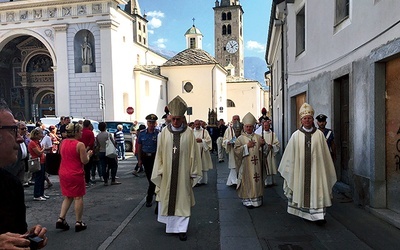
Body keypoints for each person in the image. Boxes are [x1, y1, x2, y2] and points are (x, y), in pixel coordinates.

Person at [151, 95, 202, 241]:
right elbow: (159, 154)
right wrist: (159, 171)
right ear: (170, 117)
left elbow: (194, 154)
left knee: (182, 200)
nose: (175, 121)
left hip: (183, 174)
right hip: (167, 173)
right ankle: (171, 227)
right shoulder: (163, 134)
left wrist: (193, 172)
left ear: (182, 118)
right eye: (173, 119)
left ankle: (182, 229)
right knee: (169, 198)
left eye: (178, 119)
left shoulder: (189, 134)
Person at [278, 103, 337, 225]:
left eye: (309, 118)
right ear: (301, 120)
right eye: (305, 118)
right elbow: (290, 155)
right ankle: (305, 214)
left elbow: (325, 155)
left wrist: (325, 169)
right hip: (301, 171)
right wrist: (291, 170)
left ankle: (319, 216)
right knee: (304, 190)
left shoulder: (319, 135)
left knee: (318, 189)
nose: (307, 120)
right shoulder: (295, 136)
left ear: (312, 119)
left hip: (317, 171)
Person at [0, 99, 48, 249]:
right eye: (13, 130)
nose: (20, 138)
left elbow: (15, 234)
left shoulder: (12, 184)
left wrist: (28, 239)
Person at [56, 123, 93, 232]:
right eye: (80, 131)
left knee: (68, 196)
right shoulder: (79, 144)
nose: (81, 133)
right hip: (75, 172)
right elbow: (84, 161)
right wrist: (89, 154)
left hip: (63, 171)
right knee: (78, 197)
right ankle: (79, 221)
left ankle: (61, 218)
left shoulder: (63, 142)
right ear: (76, 132)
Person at [234, 112, 265, 208]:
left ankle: (257, 200)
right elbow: (236, 151)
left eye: (250, 127)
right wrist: (246, 146)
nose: (248, 128)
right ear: (244, 127)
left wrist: (264, 145)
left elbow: (265, 151)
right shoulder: (240, 139)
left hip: (257, 165)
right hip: (246, 165)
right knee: (247, 180)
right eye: (247, 126)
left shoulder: (258, 137)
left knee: (256, 180)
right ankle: (247, 200)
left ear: (253, 127)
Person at [137, 114, 159, 207]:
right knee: (150, 179)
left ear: (155, 123)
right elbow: (139, 147)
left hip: (155, 157)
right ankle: (156, 197)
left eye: (153, 122)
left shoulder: (158, 133)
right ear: (147, 123)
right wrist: (139, 160)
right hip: (146, 158)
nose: (151, 124)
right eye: (149, 122)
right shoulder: (142, 133)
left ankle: (150, 199)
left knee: (154, 179)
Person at [255, 118, 280, 187]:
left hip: (271, 153)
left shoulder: (273, 134)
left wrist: (272, 146)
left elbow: (277, 143)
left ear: (269, 126)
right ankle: (265, 182)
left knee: (271, 166)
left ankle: (272, 181)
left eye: (267, 125)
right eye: (264, 126)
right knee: (265, 167)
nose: (266, 127)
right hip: (264, 154)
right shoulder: (260, 135)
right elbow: (258, 144)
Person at [28, 128, 49, 201]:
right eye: (40, 133)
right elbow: (39, 152)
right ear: (36, 135)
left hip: (42, 161)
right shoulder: (32, 143)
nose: (42, 135)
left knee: (42, 178)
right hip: (37, 162)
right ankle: (37, 195)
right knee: (38, 178)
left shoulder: (37, 142)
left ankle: (41, 193)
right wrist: (43, 148)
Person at [222, 115, 241, 186]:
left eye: (237, 119)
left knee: (240, 165)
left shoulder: (242, 128)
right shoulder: (228, 129)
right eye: (234, 119)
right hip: (232, 150)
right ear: (232, 120)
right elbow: (224, 140)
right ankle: (234, 181)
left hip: (241, 149)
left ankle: (235, 180)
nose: (236, 120)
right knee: (233, 165)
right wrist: (228, 142)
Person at [193, 119, 213, 186]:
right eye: (196, 124)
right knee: (196, 165)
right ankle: (197, 181)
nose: (197, 126)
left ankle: (203, 180)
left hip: (203, 151)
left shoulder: (204, 131)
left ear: (200, 124)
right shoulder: (192, 132)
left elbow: (209, 140)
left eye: (198, 124)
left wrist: (201, 140)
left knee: (203, 164)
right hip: (195, 151)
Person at [79, 120, 95, 187]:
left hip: (79, 150)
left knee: (81, 166)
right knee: (88, 167)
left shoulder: (80, 132)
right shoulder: (90, 132)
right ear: (89, 125)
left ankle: (82, 180)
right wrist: (86, 149)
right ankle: (87, 180)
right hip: (88, 151)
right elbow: (91, 143)